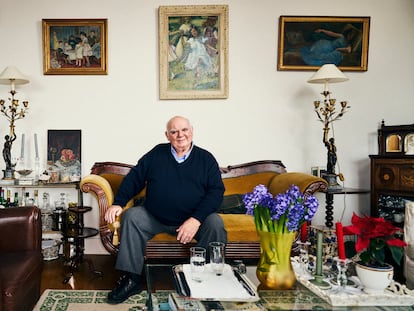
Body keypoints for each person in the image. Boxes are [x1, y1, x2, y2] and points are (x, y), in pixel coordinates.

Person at [104, 116, 226, 304]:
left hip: (192, 219)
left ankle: (206, 279)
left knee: (215, 223)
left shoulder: (206, 159)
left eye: (184, 130)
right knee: (132, 216)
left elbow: (217, 192)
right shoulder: (156, 154)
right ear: (167, 135)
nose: (180, 135)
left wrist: (195, 219)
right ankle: (132, 279)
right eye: (174, 131)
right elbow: (134, 178)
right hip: (156, 217)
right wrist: (118, 203)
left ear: (192, 131)